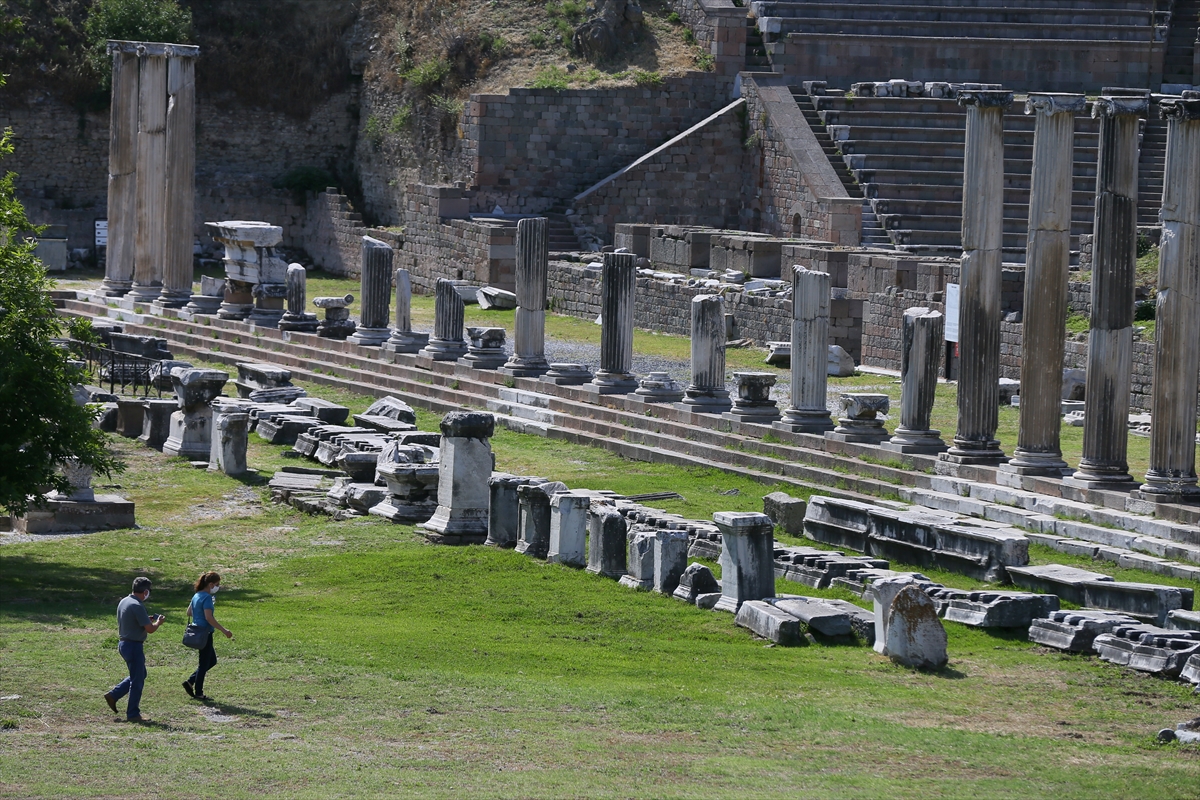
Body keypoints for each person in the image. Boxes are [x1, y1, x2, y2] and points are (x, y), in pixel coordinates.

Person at [103, 576, 165, 723]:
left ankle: (114, 695)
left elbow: (133, 620)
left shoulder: (125, 601)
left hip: (124, 644)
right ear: (145, 591)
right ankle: (133, 714)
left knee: (140, 674)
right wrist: (158, 622)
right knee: (137, 681)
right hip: (133, 646)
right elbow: (150, 629)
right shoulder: (137, 605)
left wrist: (145, 619)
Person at [183, 571, 233, 701]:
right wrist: (224, 630)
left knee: (211, 661)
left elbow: (189, 612)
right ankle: (198, 692)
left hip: (197, 631)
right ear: (210, 584)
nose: (218, 587)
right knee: (204, 663)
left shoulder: (197, 595)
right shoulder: (207, 598)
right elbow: (209, 618)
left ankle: (190, 681)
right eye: (217, 584)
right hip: (205, 633)